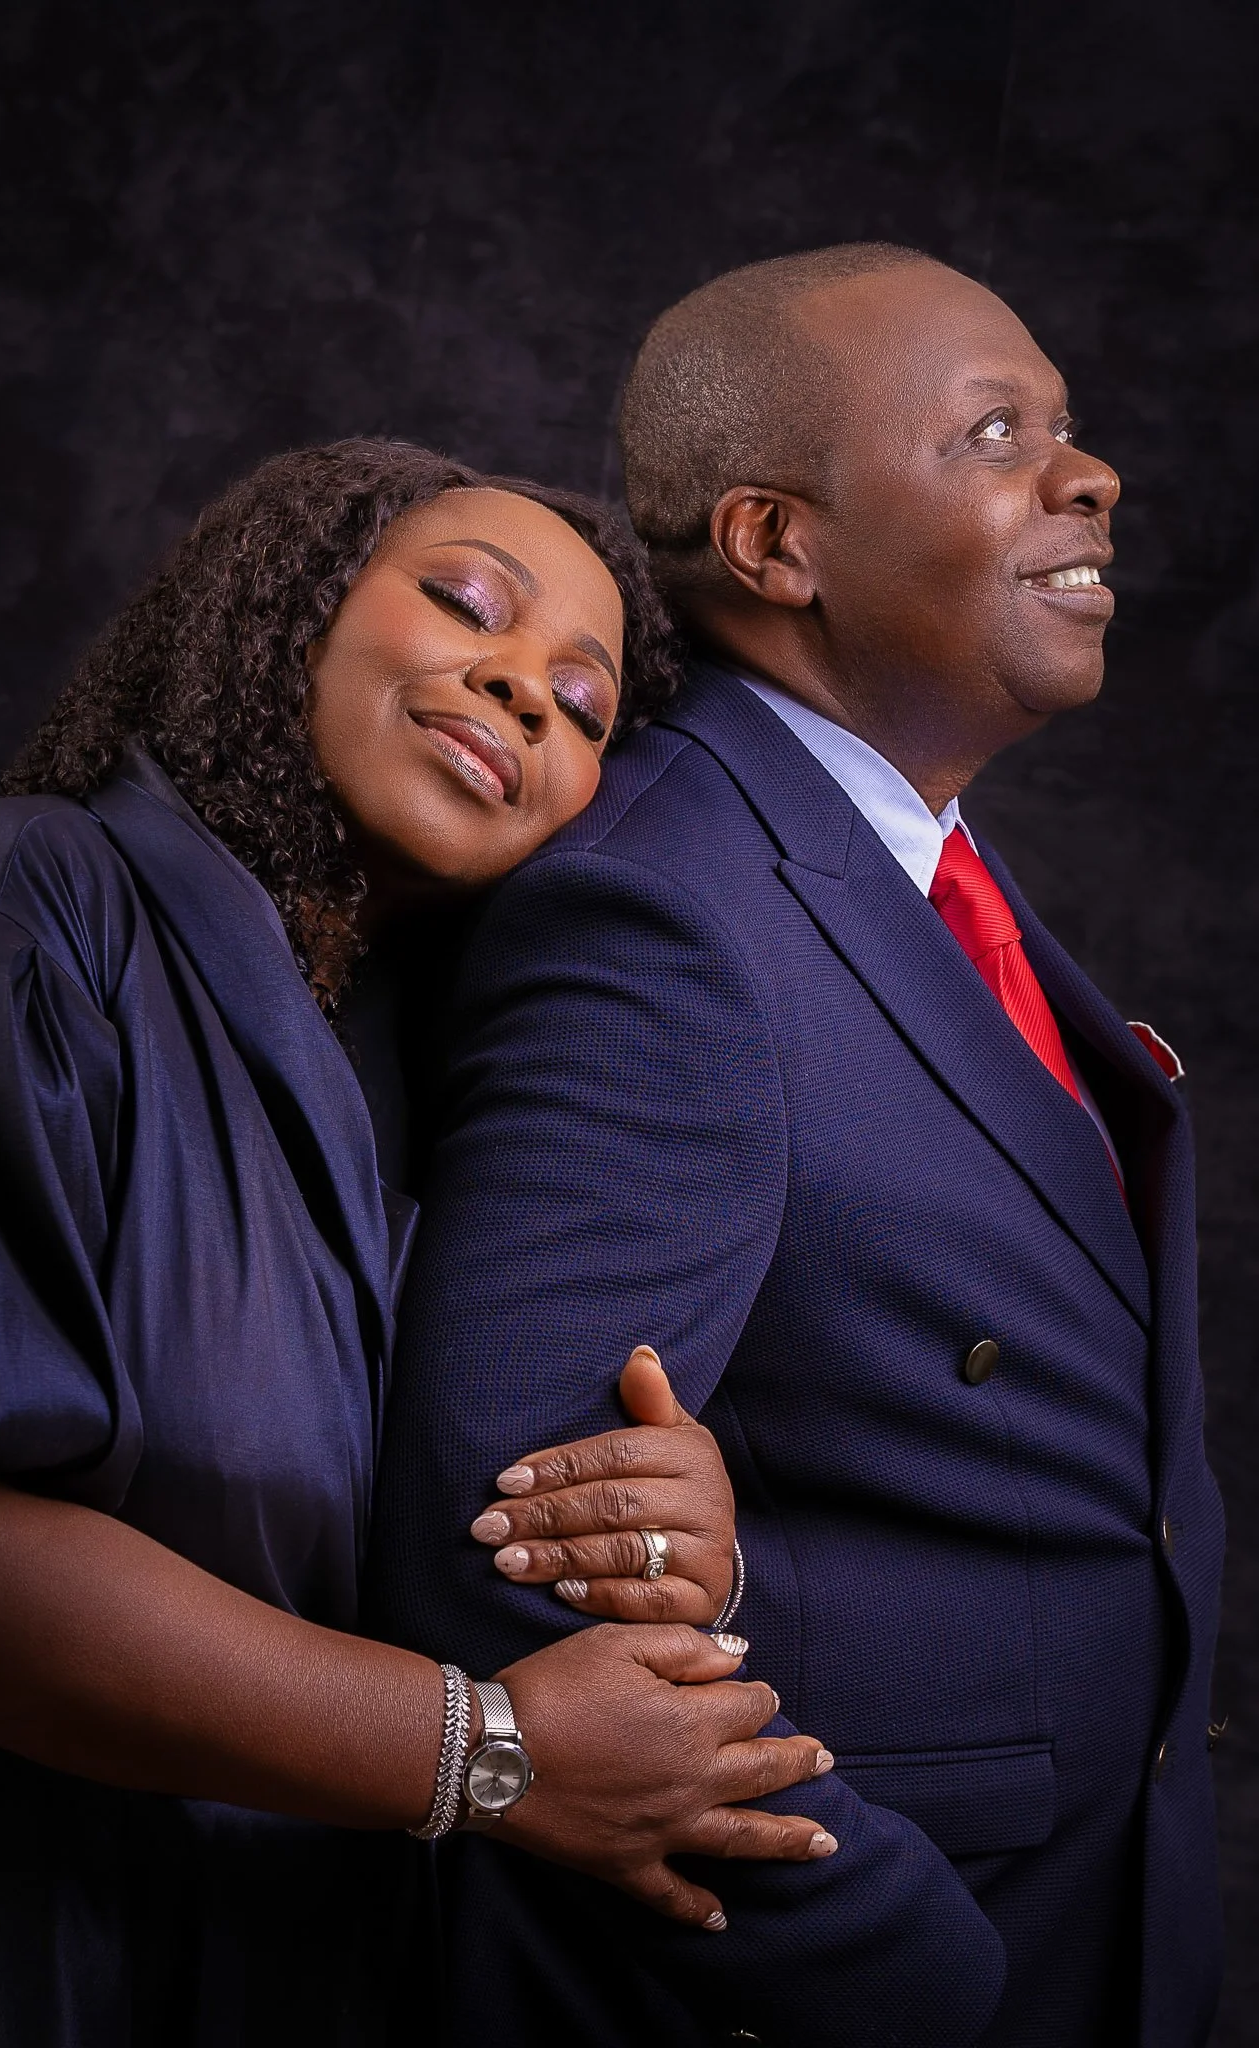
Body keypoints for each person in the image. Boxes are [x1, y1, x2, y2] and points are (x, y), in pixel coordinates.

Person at [369, 249, 1225, 2047]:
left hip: (1102, 1897)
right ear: (774, 545)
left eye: (1066, 428)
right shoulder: (659, 912)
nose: (1088, 478)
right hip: (884, 1957)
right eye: (998, 434)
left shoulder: (908, 870)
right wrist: (892, 1954)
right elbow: (508, 1548)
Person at [0, 440, 839, 2048]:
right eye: (467, 603)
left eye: (588, 705)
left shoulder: (430, 1069)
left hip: (308, 1958)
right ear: (295, 606)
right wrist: (484, 1749)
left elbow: (421, 1504)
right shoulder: (17, 913)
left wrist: (664, 1526)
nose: (529, 693)